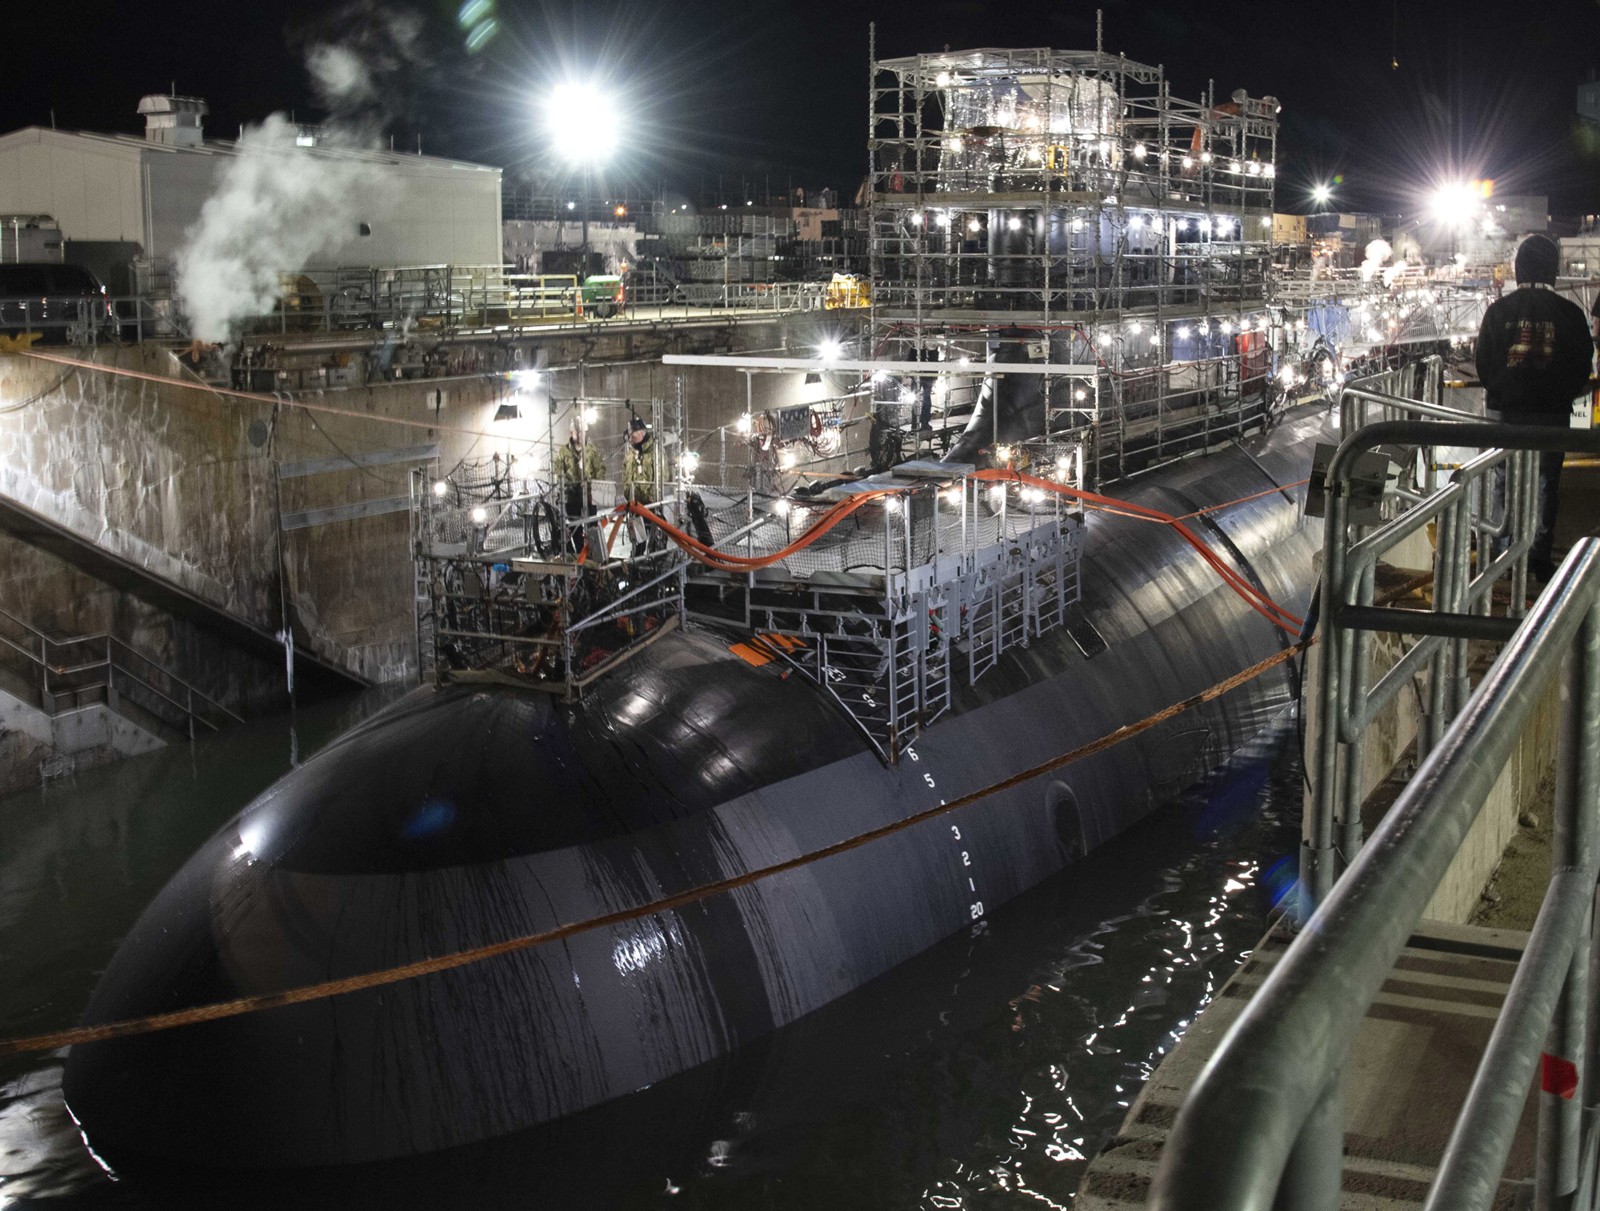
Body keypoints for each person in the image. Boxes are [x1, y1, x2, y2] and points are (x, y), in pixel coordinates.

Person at [1474, 234, 1593, 582]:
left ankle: (1502, 554)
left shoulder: (1498, 312)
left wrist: (1503, 392)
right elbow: (1582, 363)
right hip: (1552, 416)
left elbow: (1483, 363)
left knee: (1502, 481)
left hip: (1506, 416)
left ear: (1518, 268)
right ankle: (1538, 559)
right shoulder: (1570, 313)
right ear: (1553, 270)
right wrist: (1561, 395)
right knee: (1545, 484)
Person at [552, 420, 605, 549]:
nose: (581, 435)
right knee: (575, 525)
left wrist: (593, 485)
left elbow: (600, 470)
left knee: (592, 524)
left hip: (589, 494)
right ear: (572, 433)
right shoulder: (563, 453)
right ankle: (581, 551)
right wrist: (567, 485)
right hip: (571, 496)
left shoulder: (592, 451)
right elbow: (557, 472)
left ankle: (593, 551)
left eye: (583, 432)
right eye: (578, 432)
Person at [621, 415, 661, 550]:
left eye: (633, 433)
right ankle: (637, 558)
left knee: (654, 534)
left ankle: (654, 558)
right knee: (638, 537)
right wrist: (628, 493)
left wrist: (652, 495)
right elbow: (626, 475)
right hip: (635, 503)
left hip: (651, 503)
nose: (631, 436)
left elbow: (662, 475)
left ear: (642, 433)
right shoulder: (630, 454)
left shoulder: (655, 452)